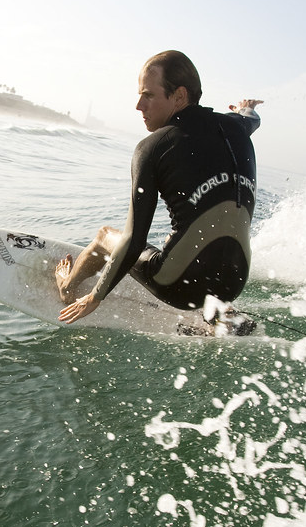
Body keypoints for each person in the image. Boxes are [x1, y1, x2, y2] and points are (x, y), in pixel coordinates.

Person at [55, 50, 262, 325]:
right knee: (185, 234)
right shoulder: (237, 125)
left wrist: (96, 295)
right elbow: (251, 118)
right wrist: (246, 107)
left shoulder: (152, 148)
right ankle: (221, 315)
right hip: (234, 282)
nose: (139, 106)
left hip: (180, 287)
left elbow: (133, 242)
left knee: (106, 235)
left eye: (149, 95)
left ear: (179, 96)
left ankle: (66, 286)